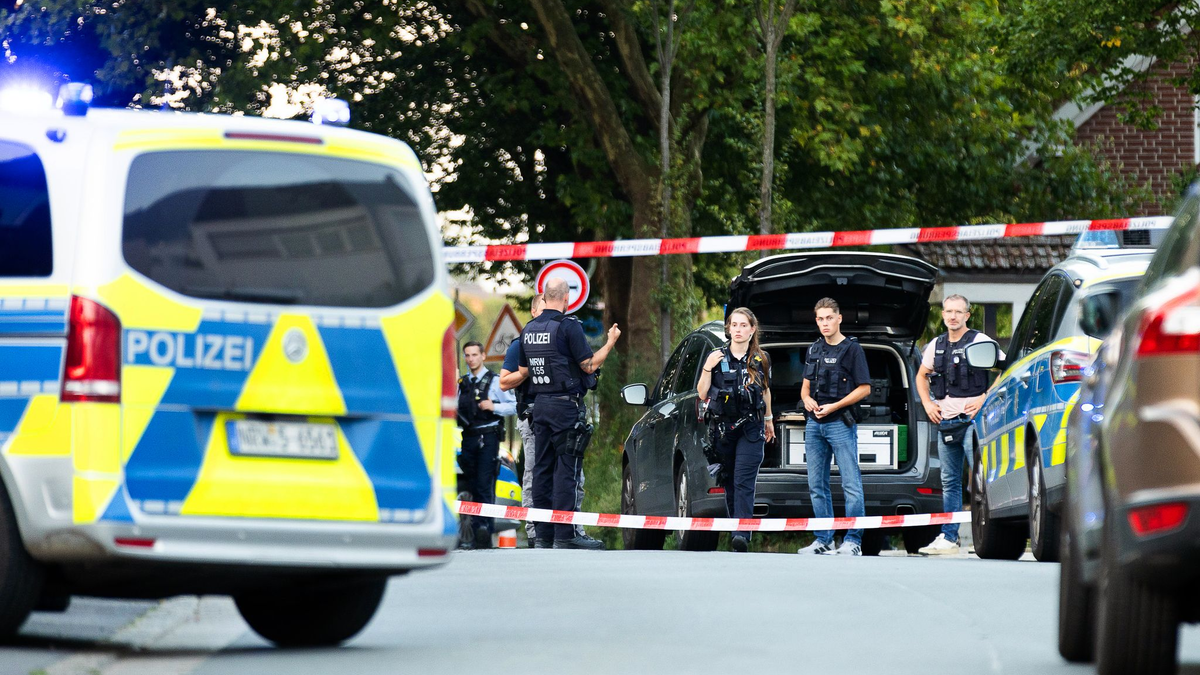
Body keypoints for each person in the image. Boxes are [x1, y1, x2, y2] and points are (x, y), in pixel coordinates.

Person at [514, 277, 620, 549]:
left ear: (545, 297)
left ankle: (543, 535)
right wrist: (609, 343)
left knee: (542, 469)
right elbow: (587, 365)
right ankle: (565, 534)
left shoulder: (527, 330)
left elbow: (526, 370)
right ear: (565, 299)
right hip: (565, 407)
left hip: (540, 407)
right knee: (566, 470)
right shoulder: (568, 326)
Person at [500, 293, 596, 547]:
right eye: (542, 310)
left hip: (548, 410)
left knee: (562, 474)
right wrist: (541, 361)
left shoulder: (554, 334)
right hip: (536, 413)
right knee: (540, 473)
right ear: (534, 312)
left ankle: (557, 531)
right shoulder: (521, 343)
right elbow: (504, 380)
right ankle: (539, 532)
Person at [915, 294, 1000, 555]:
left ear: (967, 315)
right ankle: (949, 537)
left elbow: (1005, 369)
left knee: (981, 480)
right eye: (948, 311)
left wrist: (985, 399)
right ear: (942, 315)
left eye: (958, 312)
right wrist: (928, 404)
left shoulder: (981, 341)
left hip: (975, 422)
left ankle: (989, 537)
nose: (952, 316)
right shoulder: (935, 345)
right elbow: (921, 376)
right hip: (947, 423)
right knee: (949, 481)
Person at [797, 297, 872, 556]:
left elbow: (865, 388)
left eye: (829, 318)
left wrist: (836, 405)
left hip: (840, 423)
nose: (825, 323)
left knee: (851, 484)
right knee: (816, 484)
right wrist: (807, 400)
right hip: (814, 425)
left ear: (839, 318)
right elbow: (805, 387)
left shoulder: (852, 349)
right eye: (820, 319)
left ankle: (853, 541)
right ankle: (824, 540)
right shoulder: (814, 349)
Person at [696, 307, 775, 553]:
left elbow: (765, 391)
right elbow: (701, 393)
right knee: (729, 479)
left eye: (744, 325)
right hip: (723, 430)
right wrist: (708, 368)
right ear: (728, 328)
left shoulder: (761, 358)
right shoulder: (716, 357)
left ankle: (742, 533)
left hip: (751, 427)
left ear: (752, 330)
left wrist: (769, 419)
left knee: (743, 479)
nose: (738, 330)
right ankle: (736, 527)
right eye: (734, 325)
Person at [457, 340, 517, 549]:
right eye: (467, 355)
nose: (471, 359)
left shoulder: (495, 381)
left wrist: (494, 406)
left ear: (483, 356)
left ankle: (483, 531)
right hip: (468, 438)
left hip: (488, 439)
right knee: (471, 486)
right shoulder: (462, 383)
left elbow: (514, 406)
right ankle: (473, 535)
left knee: (484, 485)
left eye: (474, 355)